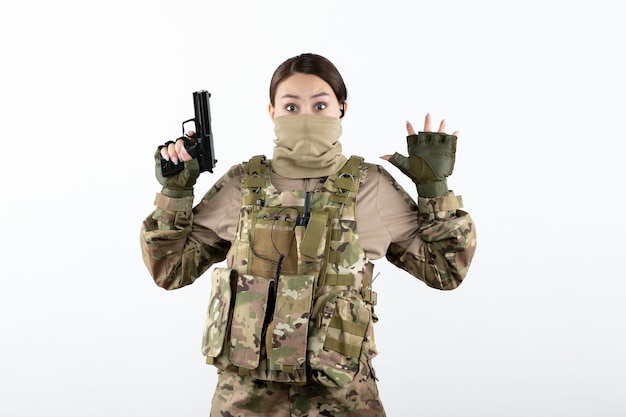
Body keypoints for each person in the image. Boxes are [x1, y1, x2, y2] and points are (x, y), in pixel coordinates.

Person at [140, 53, 477, 417]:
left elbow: (445, 272)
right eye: (291, 105)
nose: (305, 117)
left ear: (341, 109)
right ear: (272, 111)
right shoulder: (241, 184)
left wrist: (435, 190)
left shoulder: (371, 187)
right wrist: (175, 193)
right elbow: (170, 270)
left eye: (319, 104)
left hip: (341, 403)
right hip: (246, 405)